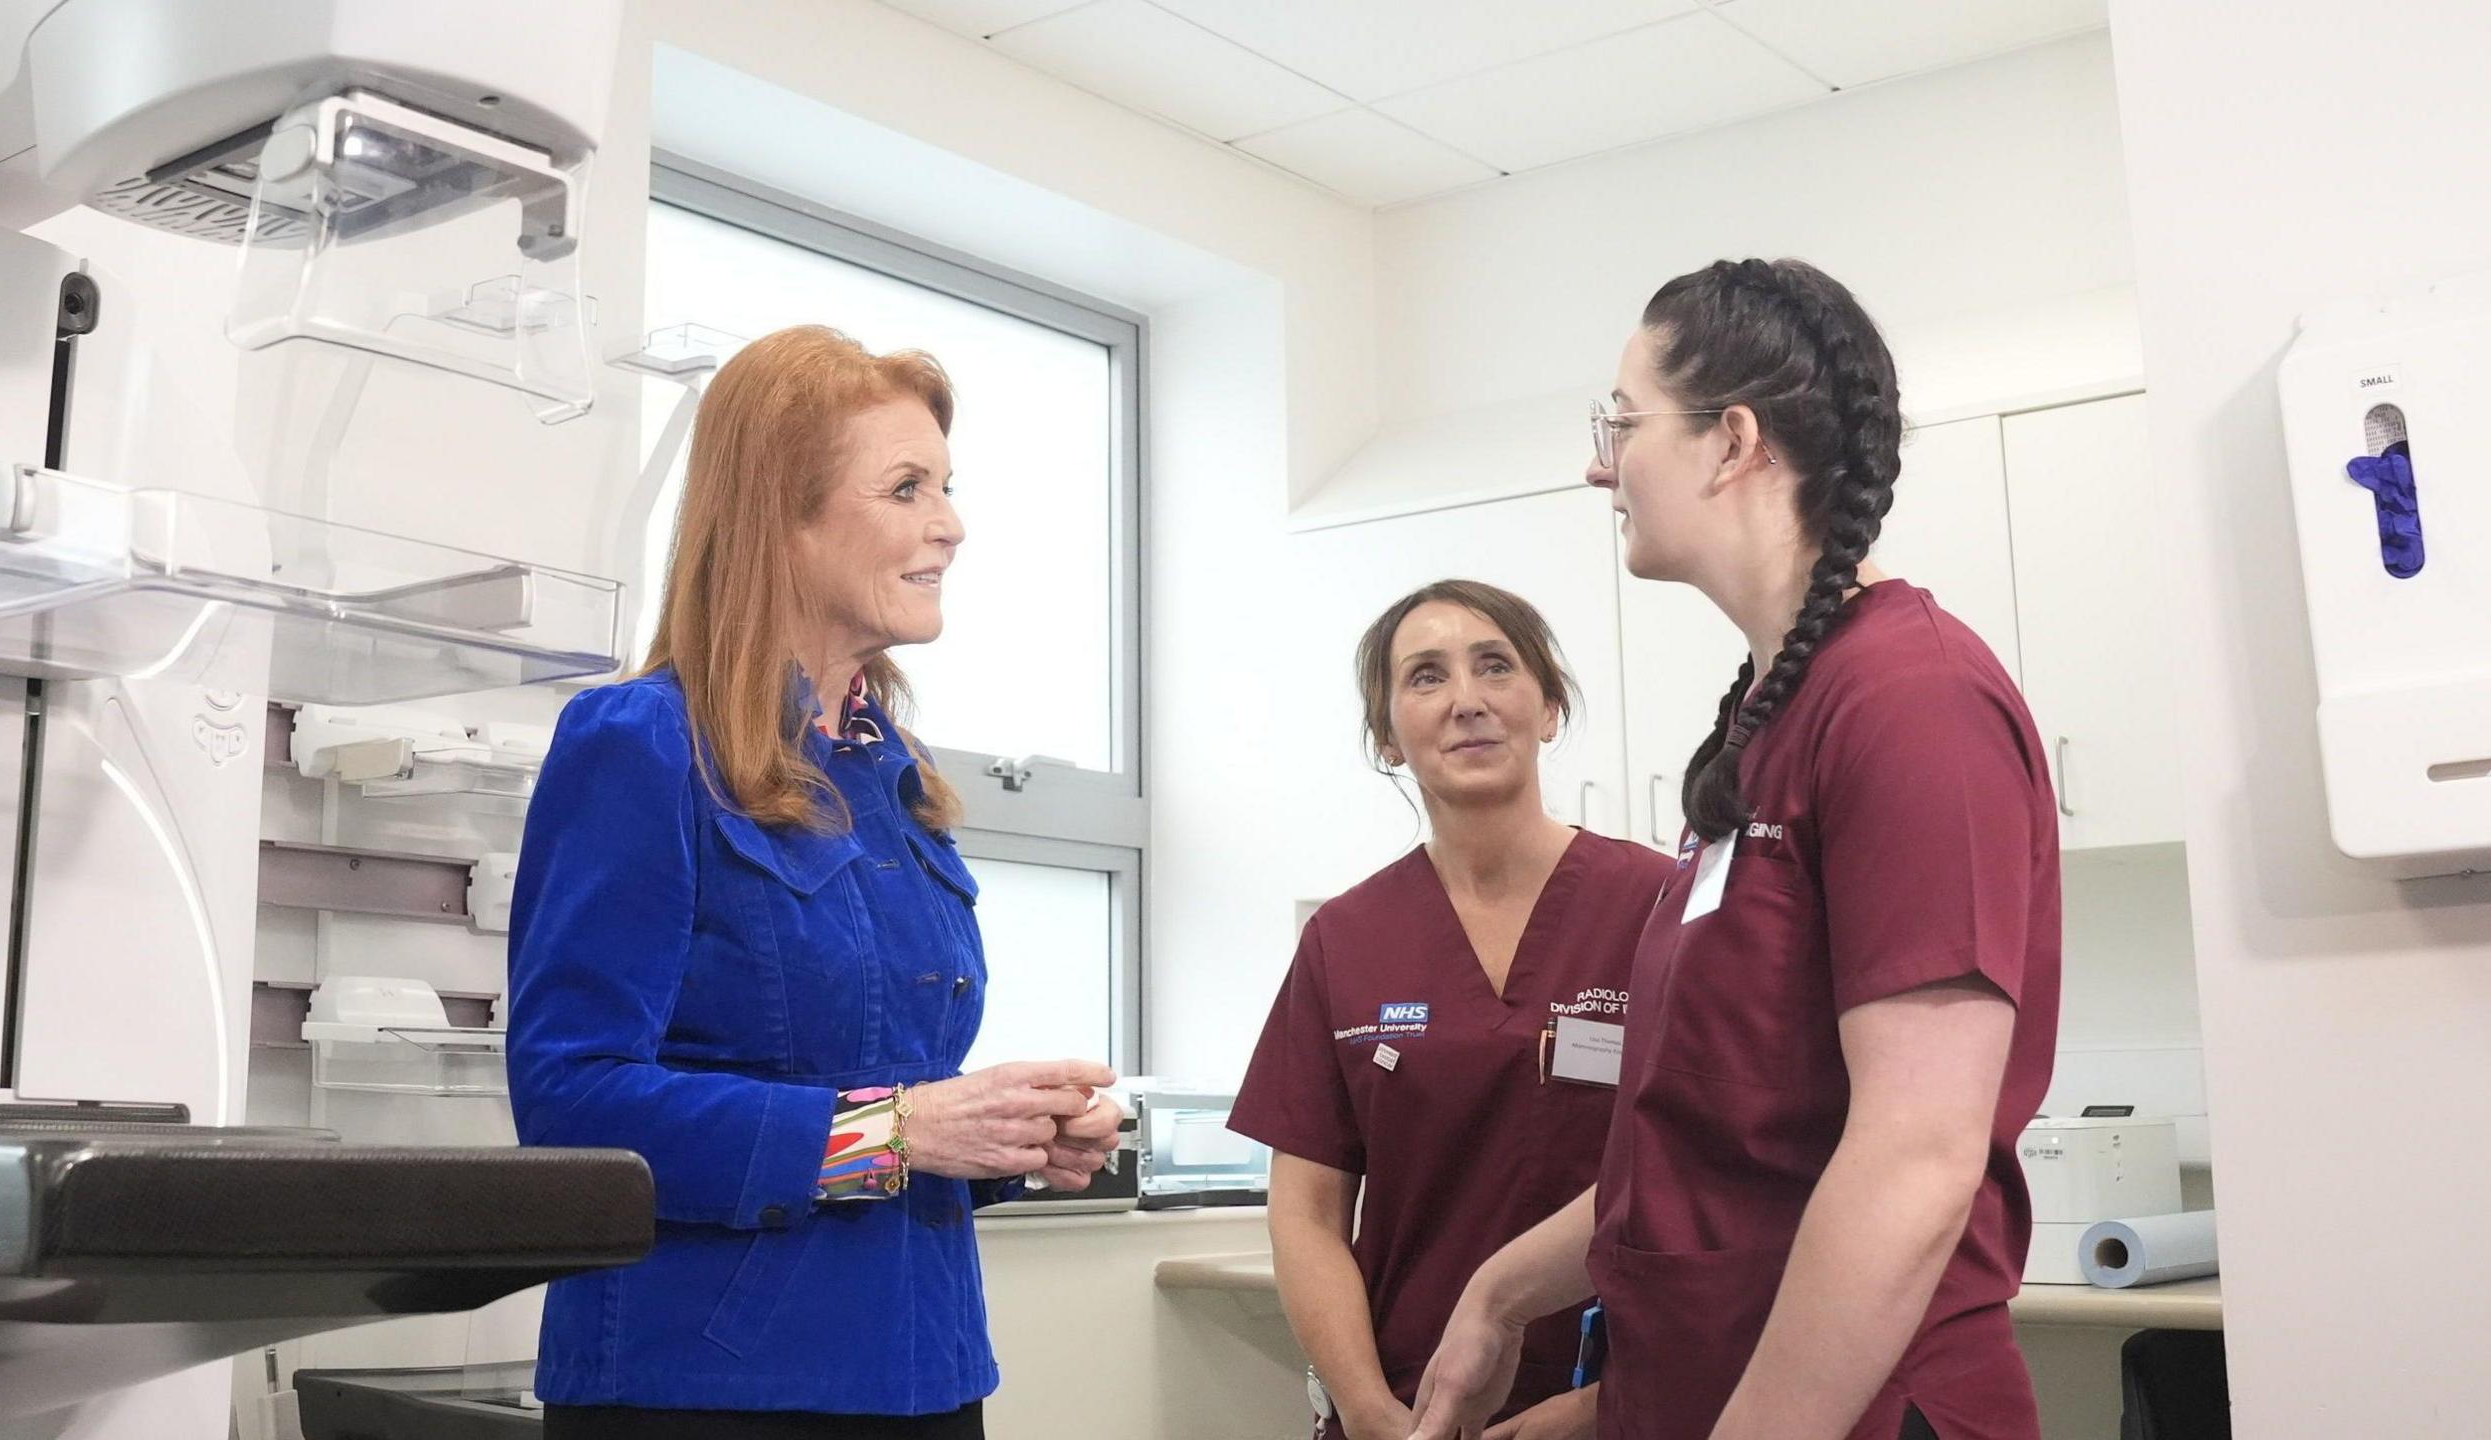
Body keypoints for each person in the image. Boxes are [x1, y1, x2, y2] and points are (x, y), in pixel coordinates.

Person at [1408, 259, 2062, 1440]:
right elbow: (1710, 1148)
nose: (1598, 464)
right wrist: (1497, 1300)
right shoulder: (1765, 718)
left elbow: (1915, 1162)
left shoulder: (1910, 701)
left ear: (1730, 442)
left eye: (1621, 422)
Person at [506, 325, 1123, 1439]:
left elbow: (894, 1101)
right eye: (905, 488)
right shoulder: (640, 744)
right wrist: (898, 1132)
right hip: (708, 1391)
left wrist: (1003, 1138)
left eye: (946, 486)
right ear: (779, 516)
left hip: (928, 1372)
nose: (951, 524)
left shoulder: (894, 776)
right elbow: (571, 1107)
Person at [1232, 580, 1675, 1440]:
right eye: (1426, 677)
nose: (1466, 700)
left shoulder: (1659, 907)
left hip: (1623, 1401)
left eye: (1495, 667)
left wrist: (1605, 1409)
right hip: (1407, 1406)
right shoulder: (1345, 938)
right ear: (1386, 737)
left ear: (1549, 708)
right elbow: (1308, 1212)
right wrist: (1367, 1409)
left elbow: (1720, 1180)